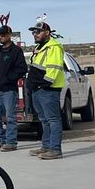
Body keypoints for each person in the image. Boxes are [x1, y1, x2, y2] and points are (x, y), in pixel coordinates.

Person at [26, 20, 66, 160]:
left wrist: (44, 84)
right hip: (38, 89)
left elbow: (53, 68)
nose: (35, 34)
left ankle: (55, 149)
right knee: (44, 120)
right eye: (33, 32)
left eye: (38, 31)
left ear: (47, 33)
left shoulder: (53, 47)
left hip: (48, 90)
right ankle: (46, 146)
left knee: (53, 119)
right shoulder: (40, 48)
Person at [0, 25, 28, 152]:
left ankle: (11, 142)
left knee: (10, 117)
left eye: (3, 35)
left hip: (8, 90)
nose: (1, 37)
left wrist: (9, 78)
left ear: (9, 35)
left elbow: (22, 69)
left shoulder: (16, 51)